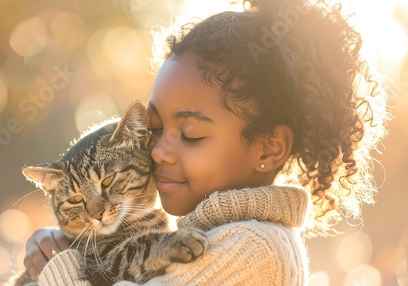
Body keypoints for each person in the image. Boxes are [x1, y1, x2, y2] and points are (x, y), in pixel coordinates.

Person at [22, 0, 388, 284]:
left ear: (268, 148)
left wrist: (56, 269)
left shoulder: (252, 248)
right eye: (154, 128)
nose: (159, 151)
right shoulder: (217, 232)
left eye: (191, 135)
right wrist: (66, 245)